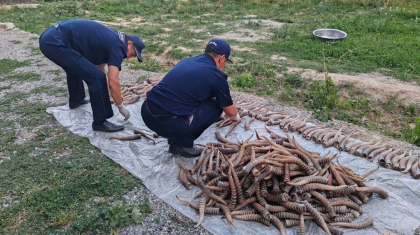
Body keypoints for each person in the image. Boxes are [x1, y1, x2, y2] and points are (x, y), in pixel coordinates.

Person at [39, 19, 145, 132]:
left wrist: (102, 90)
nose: (129, 57)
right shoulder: (119, 47)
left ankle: (76, 99)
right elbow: (113, 82)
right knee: (97, 78)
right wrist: (120, 106)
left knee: (78, 67)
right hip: (55, 42)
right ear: (130, 43)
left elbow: (100, 65)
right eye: (132, 54)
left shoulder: (116, 38)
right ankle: (100, 122)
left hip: (51, 35)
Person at [141, 39, 241, 158]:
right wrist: (237, 118)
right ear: (222, 58)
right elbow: (230, 112)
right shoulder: (216, 75)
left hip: (147, 113)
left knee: (188, 100)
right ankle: (182, 145)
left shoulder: (187, 61)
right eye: (225, 61)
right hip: (167, 124)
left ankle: (174, 135)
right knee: (216, 106)